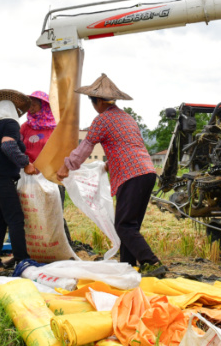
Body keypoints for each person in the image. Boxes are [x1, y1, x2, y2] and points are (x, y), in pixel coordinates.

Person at [56, 74, 167, 278]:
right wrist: (109, 164)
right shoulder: (127, 118)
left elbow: (85, 147)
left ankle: (152, 262)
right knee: (130, 226)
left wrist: (67, 166)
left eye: (93, 102)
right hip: (147, 172)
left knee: (124, 226)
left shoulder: (102, 120)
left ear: (98, 101)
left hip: (131, 174)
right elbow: (129, 146)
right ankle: (127, 265)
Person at [0, 89, 38, 270]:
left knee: (0, 219)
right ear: (12, 111)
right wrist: (25, 163)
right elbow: (8, 146)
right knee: (15, 218)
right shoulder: (10, 123)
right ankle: (21, 259)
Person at [21, 90, 73, 244]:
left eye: (34, 105)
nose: (31, 108)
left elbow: (62, 151)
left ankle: (63, 247)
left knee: (54, 213)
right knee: (31, 213)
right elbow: (18, 148)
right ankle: (37, 247)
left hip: (51, 176)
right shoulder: (25, 127)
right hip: (30, 177)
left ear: (44, 106)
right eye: (29, 105)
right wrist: (25, 163)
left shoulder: (55, 127)